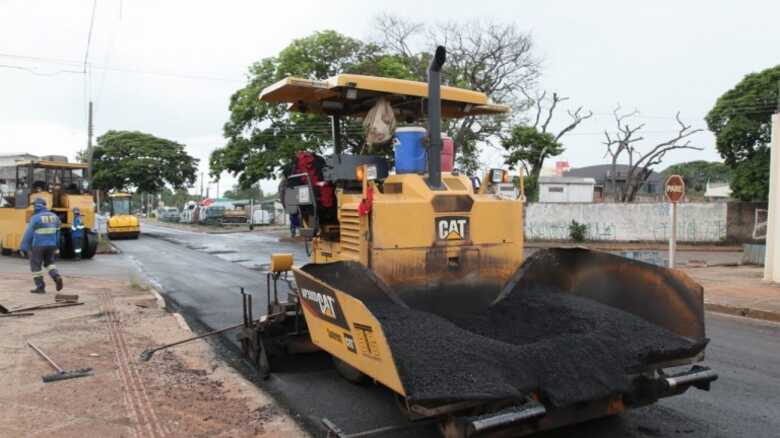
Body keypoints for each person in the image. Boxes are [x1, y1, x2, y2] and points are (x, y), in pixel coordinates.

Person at [20, 198, 64, 294]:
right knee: (49, 263)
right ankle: (56, 277)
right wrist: (57, 246)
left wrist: (23, 247)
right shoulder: (55, 217)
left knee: (35, 265)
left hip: (38, 245)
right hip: (51, 245)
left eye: (34, 205)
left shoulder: (35, 218)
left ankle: (40, 287)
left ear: (36, 206)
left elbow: (28, 234)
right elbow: (58, 234)